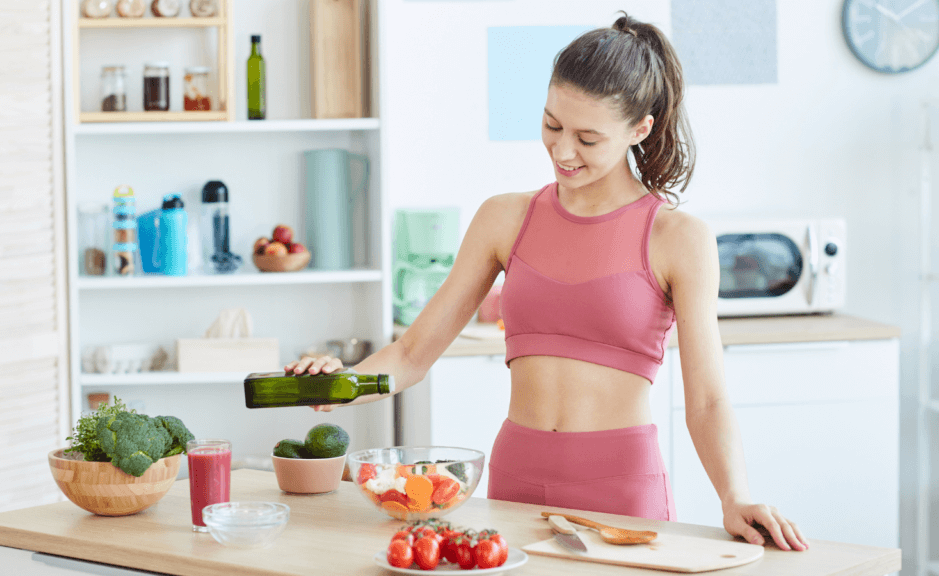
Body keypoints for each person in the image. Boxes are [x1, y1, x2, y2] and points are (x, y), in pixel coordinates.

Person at [286, 13, 809, 552]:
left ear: (640, 129)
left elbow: (707, 400)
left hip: (621, 488)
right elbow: (413, 353)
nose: (562, 151)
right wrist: (339, 386)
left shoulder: (679, 237)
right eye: (552, 125)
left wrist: (734, 495)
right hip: (516, 482)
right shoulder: (504, 217)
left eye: (587, 138)